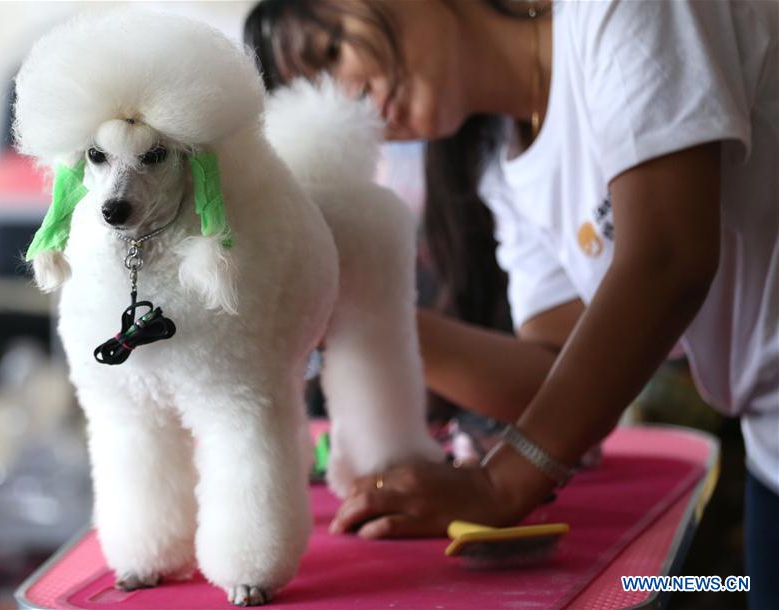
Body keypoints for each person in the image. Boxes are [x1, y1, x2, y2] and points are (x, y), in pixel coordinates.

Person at [244, 0, 779, 607]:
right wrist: (354, 302)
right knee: (740, 586)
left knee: (703, 583)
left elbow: (668, 260)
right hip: (769, 451)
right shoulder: (505, 165)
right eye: (313, 90)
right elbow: (557, 374)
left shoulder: (615, 12)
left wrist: (498, 485)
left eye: (332, 49)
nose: (347, 95)